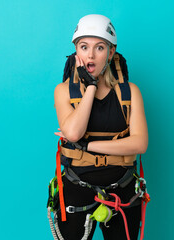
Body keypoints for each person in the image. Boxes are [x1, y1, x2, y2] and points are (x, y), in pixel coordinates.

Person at [53, 14, 148, 240]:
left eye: (100, 47)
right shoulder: (63, 91)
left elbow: (140, 143)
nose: (91, 55)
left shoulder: (130, 92)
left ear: (111, 52)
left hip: (122, 188)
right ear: (76, 52)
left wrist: (87, 146)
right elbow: (74, 132)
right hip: (77, 186)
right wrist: (91, 87)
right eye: (84, 47)